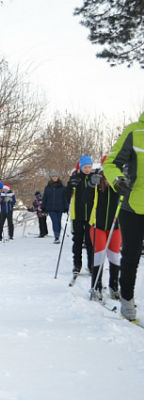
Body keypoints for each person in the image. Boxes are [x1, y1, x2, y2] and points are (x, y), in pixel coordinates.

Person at [103, 111, 144, 320]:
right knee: (131, 256)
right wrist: (117, 180)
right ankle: (127, 300)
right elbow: (110, 163)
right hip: (133, 206)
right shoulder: (134, 131)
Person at [87, 166, 121, 301]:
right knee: (99, 256)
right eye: (104, 173)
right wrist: (90, 185)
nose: (107, 177)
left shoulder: (118, 185)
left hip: (115, 226)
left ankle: (114, 286)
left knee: (114, 257)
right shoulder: (96, 185)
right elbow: (85, 199)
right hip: (97, 226)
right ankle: (96, 287)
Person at [67, 155, 96, 279]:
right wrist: (70, 186)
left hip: (91, 216)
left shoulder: (94, 179)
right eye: (85, 167)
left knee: (90, 242)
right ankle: (77, 265)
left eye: (89, 167)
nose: (87, 169)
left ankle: (91, 265)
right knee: (77, 241)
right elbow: (67, 195)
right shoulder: (75, 178)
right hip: (77, 215)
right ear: (80, 167)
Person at [42, 171, 67, 243]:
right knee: (55, 221)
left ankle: (58, 236)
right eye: (53, 177)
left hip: (60, 207)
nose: (55, 178)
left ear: (58, 177)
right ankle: (56, 237)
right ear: (51, 178)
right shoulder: (48, 187)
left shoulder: (62, 187)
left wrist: (66, 207)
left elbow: (65, 198)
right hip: (50, 208)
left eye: (56, 176)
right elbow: (45, 197)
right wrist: (43, 207)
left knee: (58, 222)